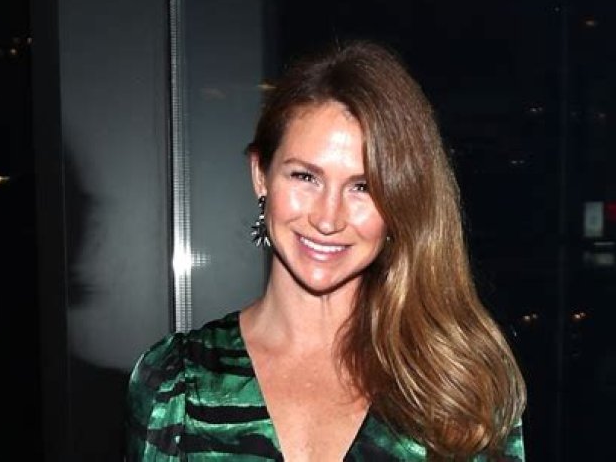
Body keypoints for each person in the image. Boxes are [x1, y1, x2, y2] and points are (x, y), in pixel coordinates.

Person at [126, 41, 526, 461]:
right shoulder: (175, 381)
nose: (328, 218)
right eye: (305, 177)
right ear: (261, 175)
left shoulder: (459, 385)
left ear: (399, 200)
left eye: (362, 187)